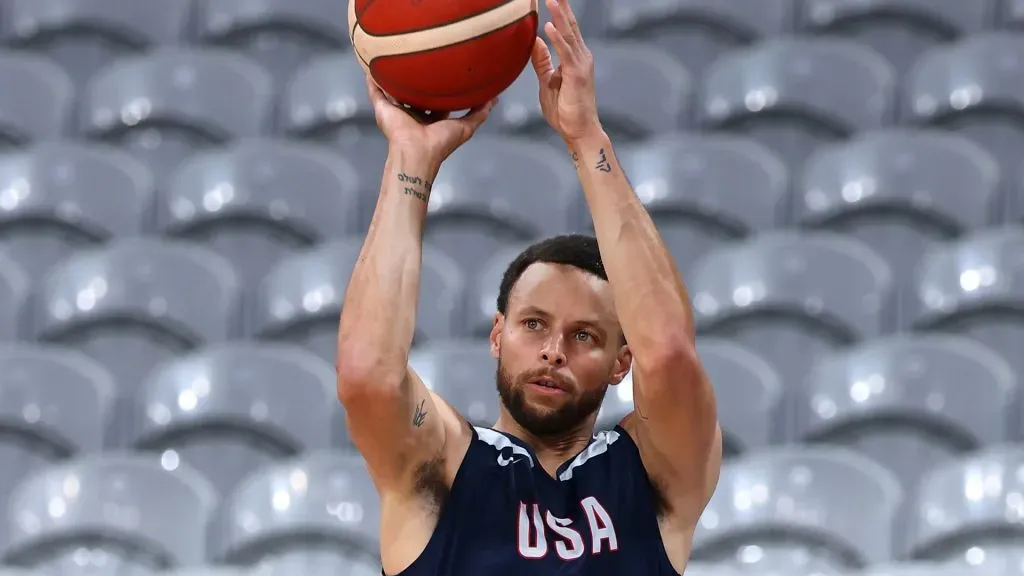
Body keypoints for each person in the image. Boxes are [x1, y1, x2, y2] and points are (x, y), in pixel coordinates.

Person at [336, 0, 722, 573]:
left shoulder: (653, 474)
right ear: (497, 334)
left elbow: (666, 350)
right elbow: (367, 374)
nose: (553, 350)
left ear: (622, 362)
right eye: (534, 323)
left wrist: (585, 137)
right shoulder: (440, 465)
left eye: (585, 335)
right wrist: (409, 161)